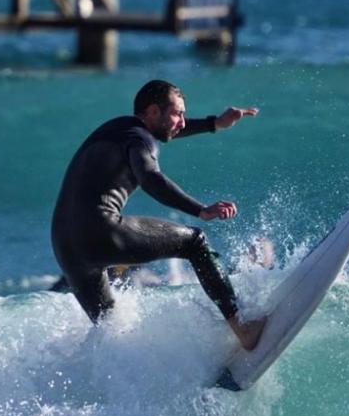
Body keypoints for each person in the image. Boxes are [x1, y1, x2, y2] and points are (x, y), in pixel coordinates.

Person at [51, 79, 266, 350]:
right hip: (100, 230)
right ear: (153, 112)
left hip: (66, 248)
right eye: (178, 113)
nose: (183, 122)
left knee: (111, 327)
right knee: (194, 243)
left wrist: (214, 124)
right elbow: (151, 179)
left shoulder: (120, 129)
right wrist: (200, 209)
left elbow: (168, 131)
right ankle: (243, 328)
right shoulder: (140, 139)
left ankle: (134, 380)